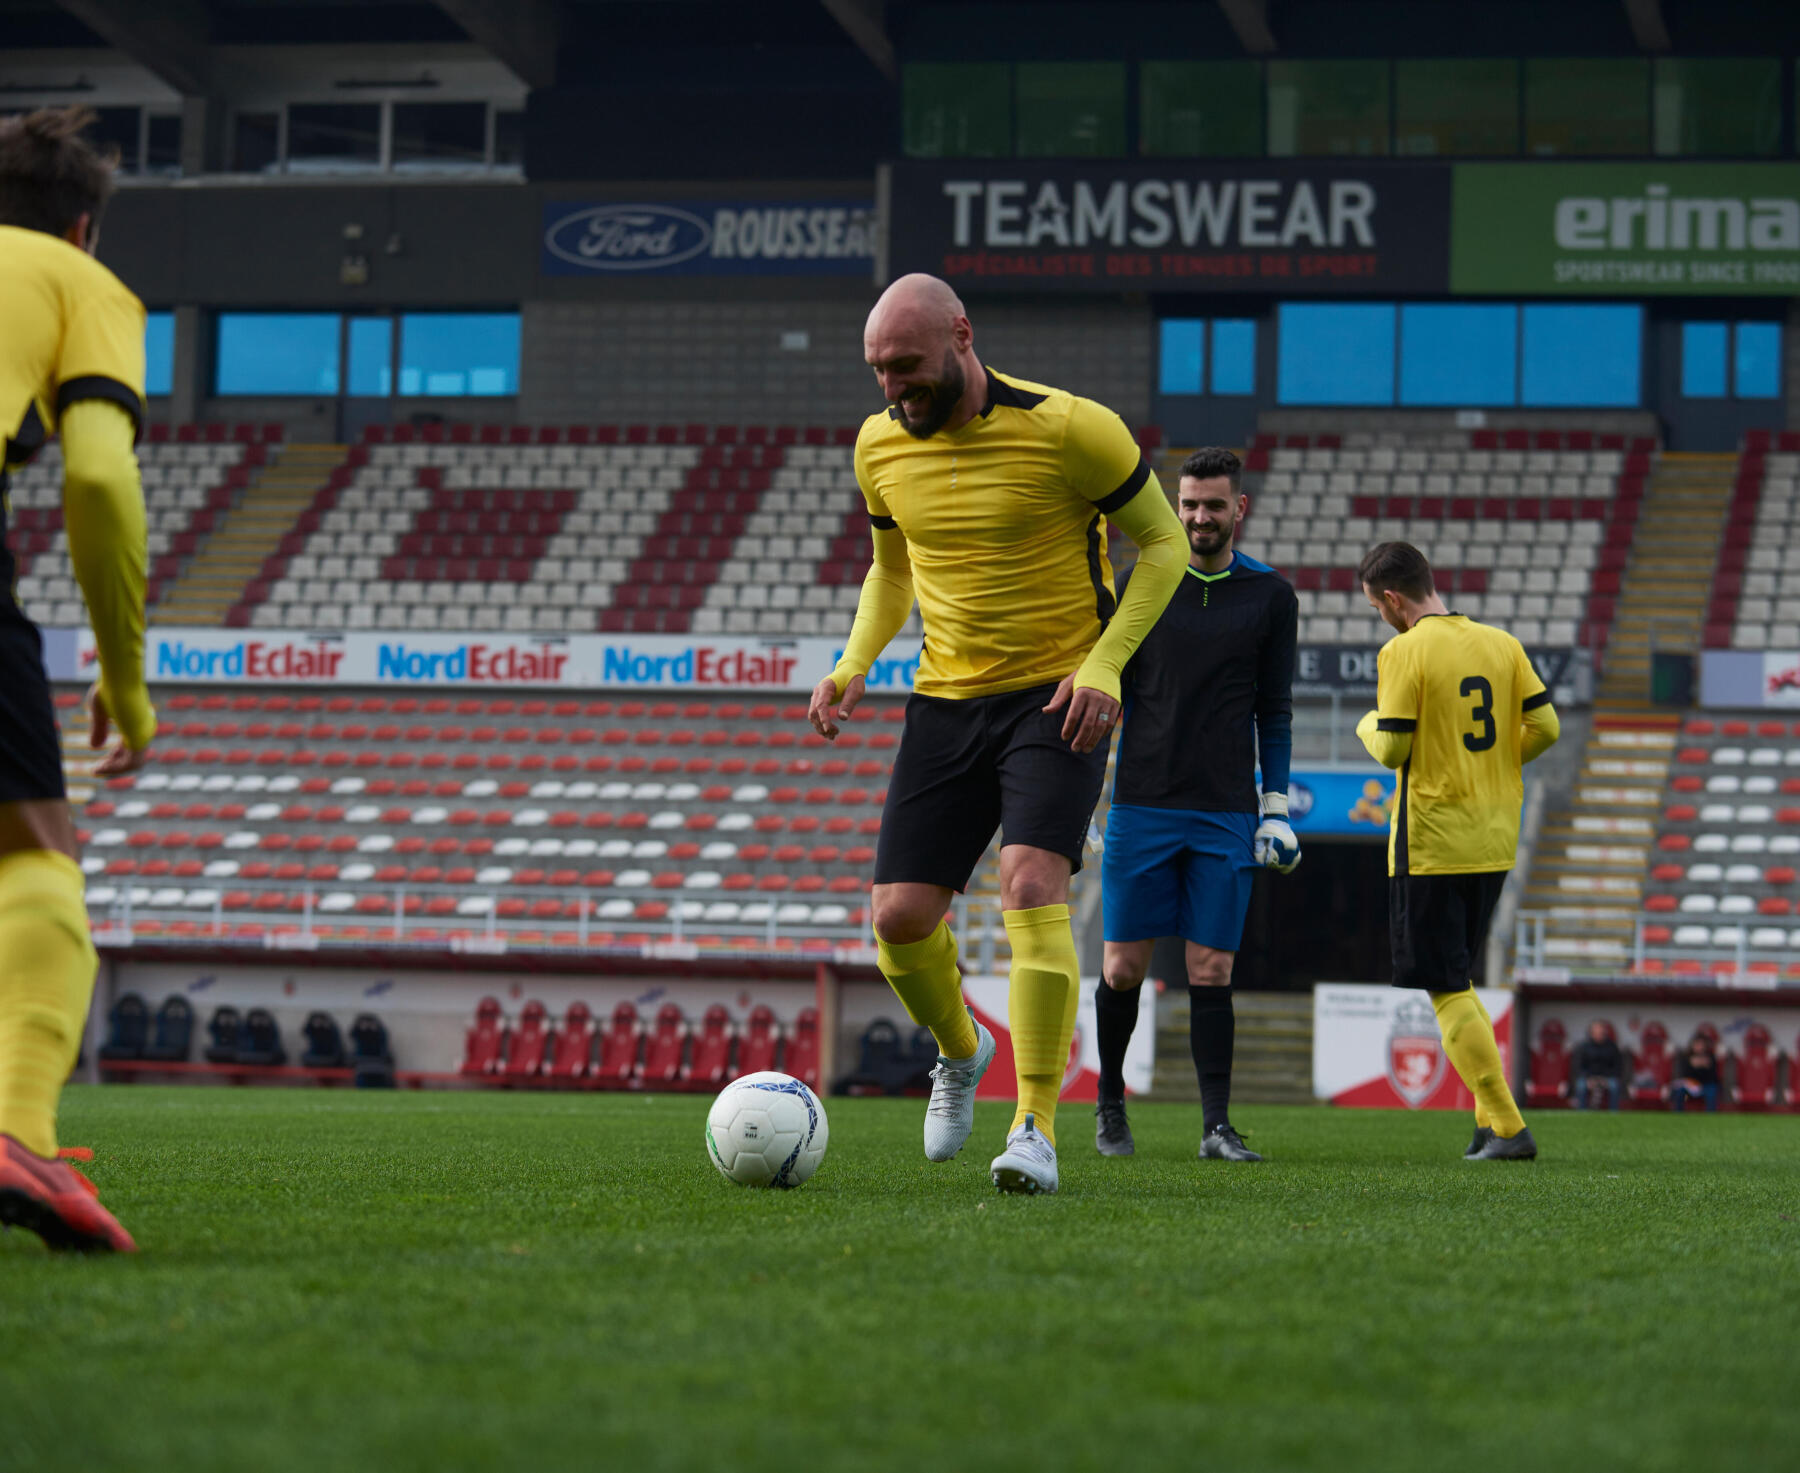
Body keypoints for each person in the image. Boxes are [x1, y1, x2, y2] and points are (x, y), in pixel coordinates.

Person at [808, 273, 1186, 1195]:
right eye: (879, 372)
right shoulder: (878, 446)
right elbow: (890, 570)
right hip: (944, 702)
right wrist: (855, 660)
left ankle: (1036, 1125)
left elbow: (1165, 544)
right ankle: (961, 1050)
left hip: (1055, 696)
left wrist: (1103, 665)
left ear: (962, 335)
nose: (895, 388)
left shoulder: (1070, 428)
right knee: (898, 920)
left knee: (1029, 883)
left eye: (907, 365)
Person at [0, 106, 156, 1251]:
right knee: (35, 855)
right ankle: (14, 1132)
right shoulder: (68, 276)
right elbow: (100, 483)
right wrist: (125, 676)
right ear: (85, 225)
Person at [1090, 447, 1299, 1163]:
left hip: (1227, 811)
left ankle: (1216, 1126)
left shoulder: (1271, 597)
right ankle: (1110, 1105)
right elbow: (1104, 688)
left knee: (1212, 967)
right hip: (1142, 802)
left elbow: (1275, 709)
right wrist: (1089, 798)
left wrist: (1275, 805)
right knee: (1122, 967)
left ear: (1239, 508)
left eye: (1213, 504)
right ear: (1175, 507)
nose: (1200, 517)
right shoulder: (1139, 585)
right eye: (1189, 504)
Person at [1353, 541, 1559, 1162]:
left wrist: (1366, 724)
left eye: (1376, 607)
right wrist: (1491, 763)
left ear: (1392, 598)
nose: (1380, 618)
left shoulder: (1403, 650)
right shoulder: (1503, 644)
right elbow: (1545, 728)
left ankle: (1506, 1123)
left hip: (1434, 840)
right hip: (1495, 836)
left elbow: (1390, 750)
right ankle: (1483, 1123)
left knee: (1444, 985)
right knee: (1461, 976)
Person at [1569, 1020, 1624, 1111]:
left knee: (1615, 1086)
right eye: (1596, 1032)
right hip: (1588, 1078)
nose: (1599, 1035)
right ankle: (1581, 1114)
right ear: (1591, 1033)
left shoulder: (1612, 1047)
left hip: (1607, 1078)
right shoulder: (1583, 1047)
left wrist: (1605, 1079)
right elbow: (1578, 1067)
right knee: (1580, 1086)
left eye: (1601, 1032)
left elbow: (1617, 1067)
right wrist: (1589, 1079)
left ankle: (1613, 1113)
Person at [1669, 1033, 1720, 1112]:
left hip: (1707, 1085)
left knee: (1712, 1092)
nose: (1699, 1047)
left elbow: (1714, 1077)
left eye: (1701, 1044)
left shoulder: (1710, 1057)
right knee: (1679, 1091)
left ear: (1705, 1046)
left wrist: (1705, 1066)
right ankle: (1677, 1115)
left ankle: (1711, 1117)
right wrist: (1693, 1066)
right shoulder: (1687, 1057)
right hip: (1692, 1084)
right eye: (1696, 1044)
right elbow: (1684, 1075)